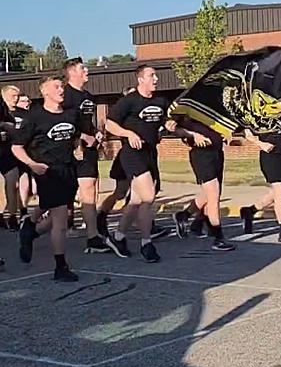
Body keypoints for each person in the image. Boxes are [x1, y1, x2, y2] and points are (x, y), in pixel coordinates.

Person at [12, 77, 86, 281]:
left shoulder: (72, 114)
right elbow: (16, 147)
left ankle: (30, 231)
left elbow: (76, 136)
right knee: (61, 219)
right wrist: (33, 164)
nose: (61, 89)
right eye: (56, 86)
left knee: (54, 214)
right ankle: (60, 267)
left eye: (62, 86)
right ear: (44, 91)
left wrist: (80, 146)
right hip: (47, 172)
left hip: (68, 170)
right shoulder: (35, 117)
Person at [104, 65, 173, 262]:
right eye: (151, 75)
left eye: (156, 75)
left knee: (135, 201)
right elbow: (110, 124)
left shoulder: (161, 101)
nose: (156, 79)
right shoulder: (129, 101)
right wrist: (128, 133)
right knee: (148, 197)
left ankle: (118, 237)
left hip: (150, 154)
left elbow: (166, 122)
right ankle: (146, 243)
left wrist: (171, 125)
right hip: (131, 154)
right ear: (140, 79)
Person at [61, 58, 118, 256]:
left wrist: (96, 132)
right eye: (82, 68)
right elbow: (62, 124)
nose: (87, 70)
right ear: (71, 72)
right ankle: (32, 226)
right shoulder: (65, 96)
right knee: (60, 198)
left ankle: (93, 236)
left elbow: (87, 122)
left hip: (89, 151)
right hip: (69, 151)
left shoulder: (88, 96)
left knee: (90, 190)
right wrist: (81, 136)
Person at [173, 117, 233, 251]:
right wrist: (191, 135)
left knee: (210, 194)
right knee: (213, 194)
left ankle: (185, 216)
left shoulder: (210, 106)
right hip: (201, 154)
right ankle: (218, 237)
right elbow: (174, 128)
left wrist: (225, 133)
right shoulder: (187, 106)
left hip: (217, 151)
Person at [240, 130, 281, 243]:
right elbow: (247, 132)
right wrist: (261, 144)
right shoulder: (257, 115)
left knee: (276, 193)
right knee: (279, 190)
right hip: (269, 155)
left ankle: (249, 211)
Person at [1, 85, 21, 230]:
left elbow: (14, 127)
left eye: (17, 96)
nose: (16, 99)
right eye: (13, 96)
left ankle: (13, 216)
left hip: (7, 151)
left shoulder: (14, 113)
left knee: (13, 182)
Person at [13, 94, 36, 219]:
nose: (26, 103)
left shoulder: (30, 116)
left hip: (29, 151)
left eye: (28, 100)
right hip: (10, 150)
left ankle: (23, 208)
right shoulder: (9, 115)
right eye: (23, 101)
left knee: (26, 178)